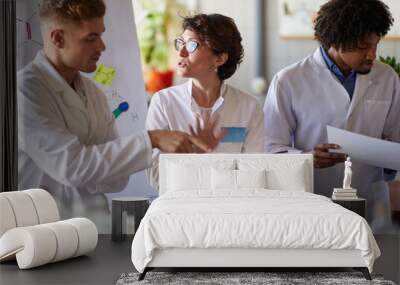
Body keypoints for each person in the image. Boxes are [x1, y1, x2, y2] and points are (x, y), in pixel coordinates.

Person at [18, 0, 218, 233]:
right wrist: (151, 140)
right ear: (58, 39)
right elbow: (71, 167)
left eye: (101, 35)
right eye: (91, 38)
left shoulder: (93, 94)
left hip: (91, 229)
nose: (102, 46)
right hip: (40, 232)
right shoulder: (25, 91)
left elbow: (114, 180)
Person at [263, 0, 400, 229]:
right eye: (363, 46)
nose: (372, 55)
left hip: (370, 203)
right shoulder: (288, 81)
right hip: (311, 203)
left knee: (373, 263)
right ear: (336, 41)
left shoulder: (387, 78)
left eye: (375, 44)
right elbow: (270, 148)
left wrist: (390, 160)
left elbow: (396, 139)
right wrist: (307, 159)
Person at [146, 13, 264, 189]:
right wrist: (196, 154)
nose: (181, 52)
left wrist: (204, 161)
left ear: (219, 59)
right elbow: (155, 176)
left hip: (232, 208)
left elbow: (254, 174)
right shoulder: (164, 102)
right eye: (181, 42)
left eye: (192, 45)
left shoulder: (249, 107)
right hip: (179, 208)